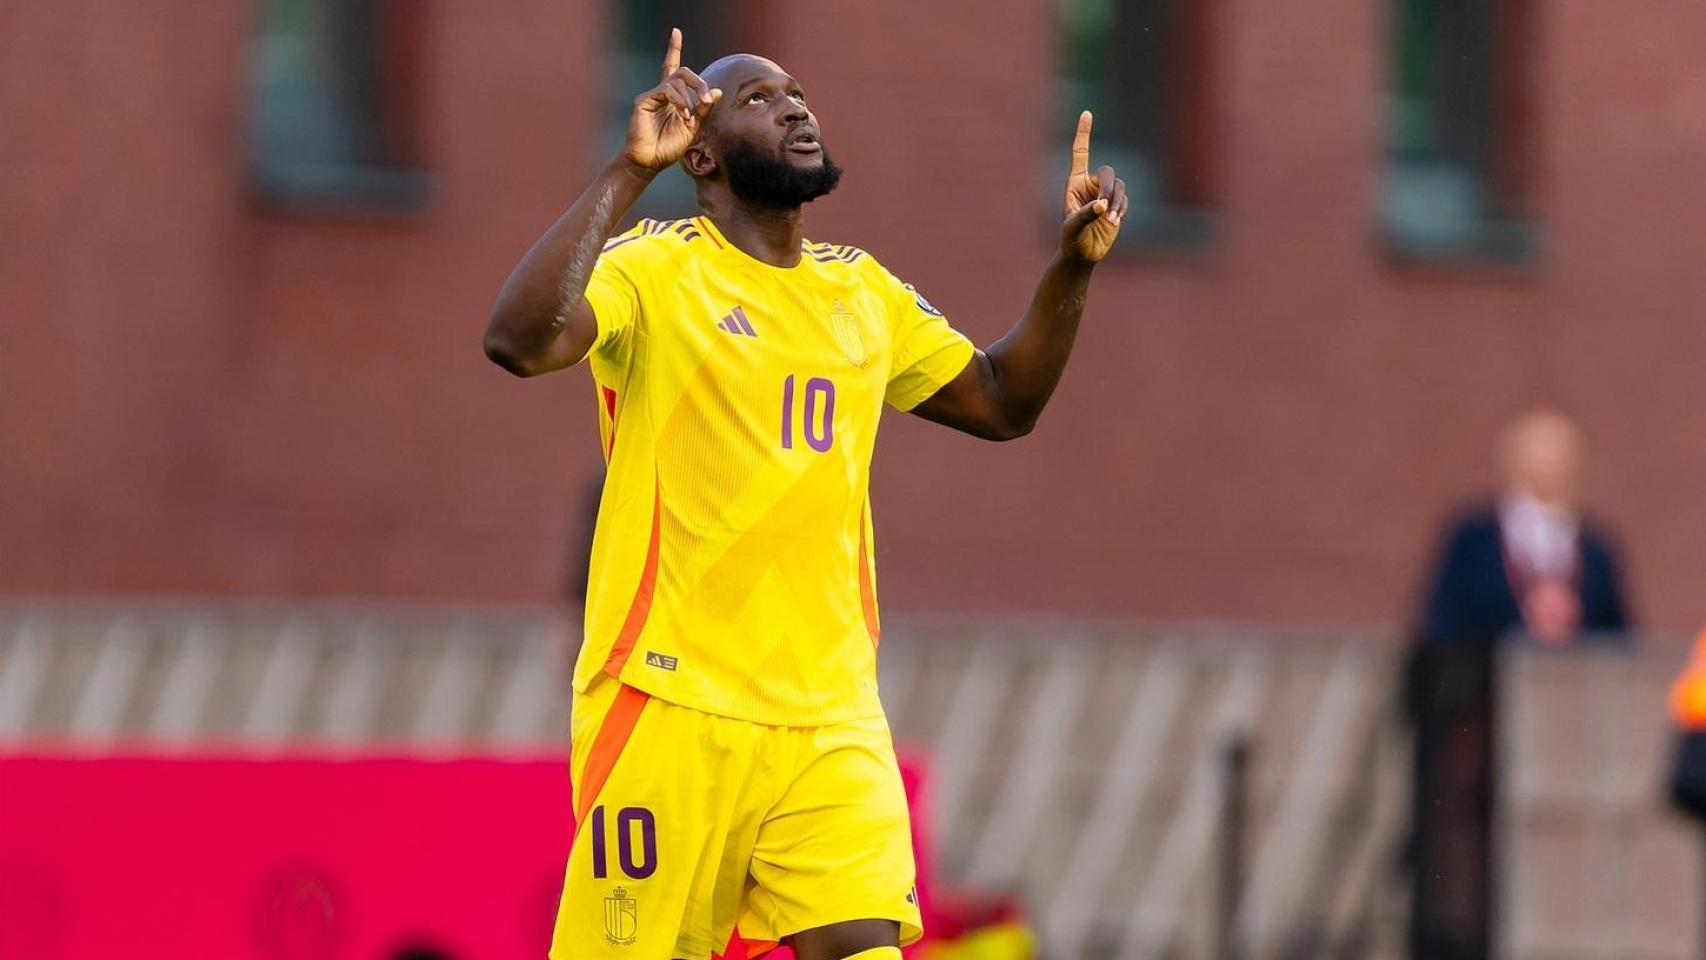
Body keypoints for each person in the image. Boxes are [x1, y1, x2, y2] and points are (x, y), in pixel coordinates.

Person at [481, 30, 1127, 960]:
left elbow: (1002, 401)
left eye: (797, 92)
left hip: (829, 714)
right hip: (670, 705)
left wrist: (1073, 267)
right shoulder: (657, 271)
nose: (794, 106)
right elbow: (518, 339)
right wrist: (629, 169)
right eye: (757, 98)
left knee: (863, 946)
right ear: (699, 153)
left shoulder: (860, 294)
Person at [1415, 410, 1632, 646]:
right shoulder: (1475, 540)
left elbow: (1619, 640)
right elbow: (1443, 623)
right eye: (1537, 453)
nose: (1548, 464)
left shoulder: (1594, 550)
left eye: (1559, 455)